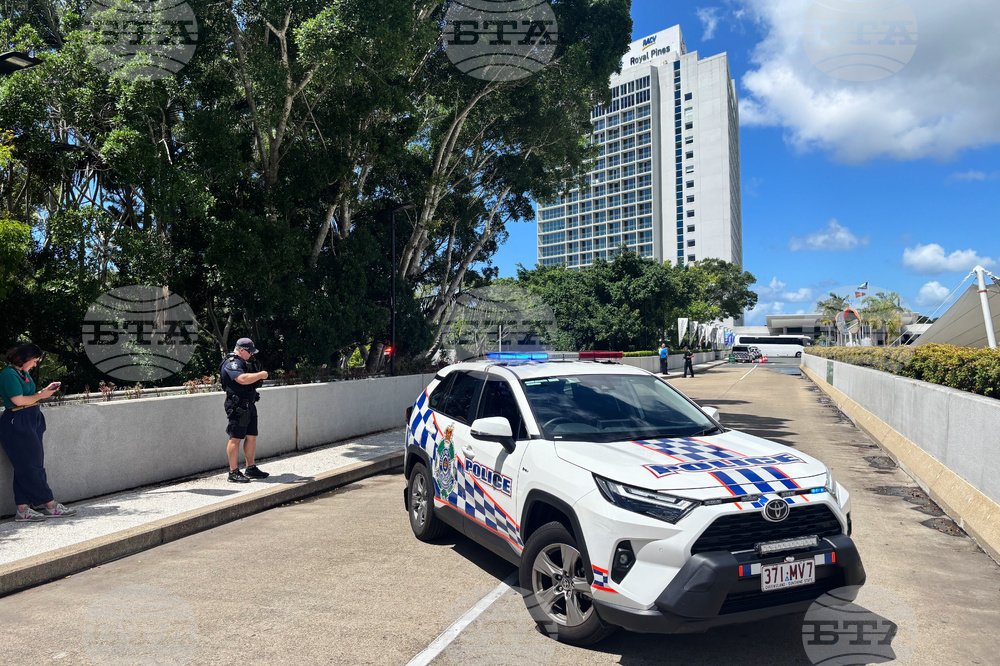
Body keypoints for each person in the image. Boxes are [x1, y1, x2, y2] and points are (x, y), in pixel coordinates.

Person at [0, 343, 77, 521]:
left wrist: (43, 392)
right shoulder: (9, 374)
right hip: (17, 421)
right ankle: (50, 504)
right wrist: (41, 396)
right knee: (32, 467)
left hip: (30, 419)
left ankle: (23, 509)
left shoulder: (23, 374)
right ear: (25, 358)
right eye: (34, 361)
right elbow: (18, 400)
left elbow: (29, 396)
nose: (35, 365)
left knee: (26, 466)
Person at [220, 338, 270, 483]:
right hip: (237, 406)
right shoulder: (232, 363)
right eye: (250, 352)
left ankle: (251, 468)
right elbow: (241, 379)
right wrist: (261, 374)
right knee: (235, 438)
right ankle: (233, 472)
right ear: (241, 350)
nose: (252, 355)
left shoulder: (244, 362)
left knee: (251, 436)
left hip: (249, 404)